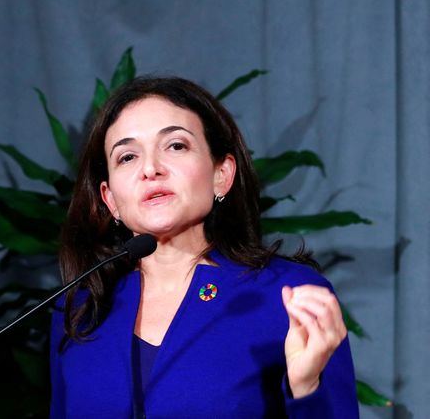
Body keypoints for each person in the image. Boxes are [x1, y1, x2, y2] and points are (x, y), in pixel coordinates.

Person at [49, 77, 358, 418]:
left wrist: (307, 389)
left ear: (221, 174)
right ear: (111, 201)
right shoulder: (79, 308)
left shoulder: (286, 296)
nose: (150, 169)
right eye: (127, 157)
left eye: (176, 146)